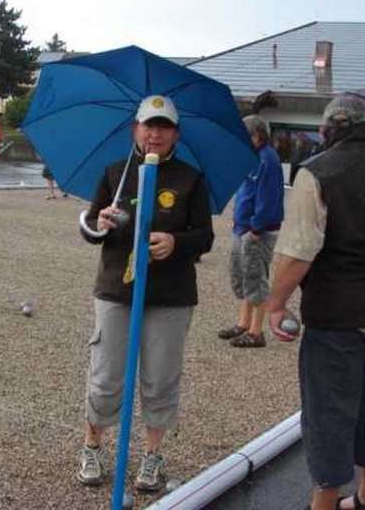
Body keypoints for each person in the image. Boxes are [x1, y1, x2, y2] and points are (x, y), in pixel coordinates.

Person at [267, 93, 365, 510]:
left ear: (328, 129)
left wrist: (276, 304)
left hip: (337, 317)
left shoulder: (318, 173)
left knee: (330, 414)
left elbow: (298, 251)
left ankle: (324, 503)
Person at [77, 95, 213, 491]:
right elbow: (89, 229)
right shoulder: (116, 173)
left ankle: (152, 456)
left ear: (176, 134)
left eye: (164, 126)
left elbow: (205, 237)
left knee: (159, 379)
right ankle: (92, 445)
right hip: (117, 290)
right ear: (135, 129)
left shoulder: (191, 179)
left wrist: (176, 242)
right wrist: (98, 222)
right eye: (148, 125)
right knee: (105, 376)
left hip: (170, 295)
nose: (155, 133)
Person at [218, 114, 284, 348]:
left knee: (256, 278)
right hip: (243, 227)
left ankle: (256, 332)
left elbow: (268, 199)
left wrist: (257, 227)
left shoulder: (268, 161)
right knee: (243, 276)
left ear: (258, 135)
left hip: (257, 231)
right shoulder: (252, 158)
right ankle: (243, 323)